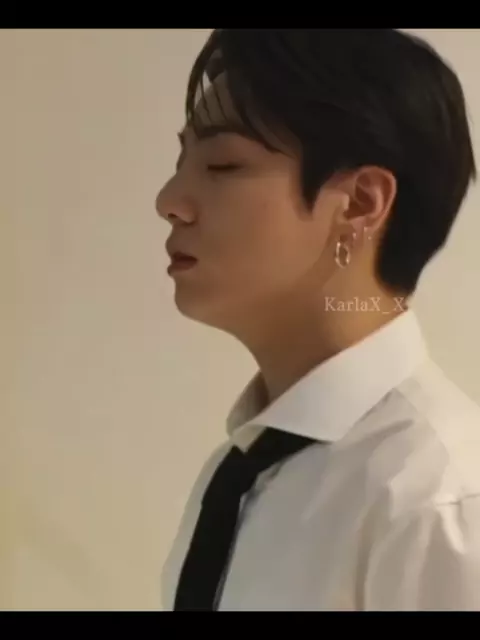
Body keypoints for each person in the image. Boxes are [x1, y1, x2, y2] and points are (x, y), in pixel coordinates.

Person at [155, 29, 480, 611]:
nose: (169, 200)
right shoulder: (238, 474)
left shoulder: (437, 499)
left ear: (360, 202)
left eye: (222, 165)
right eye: (182, 163)